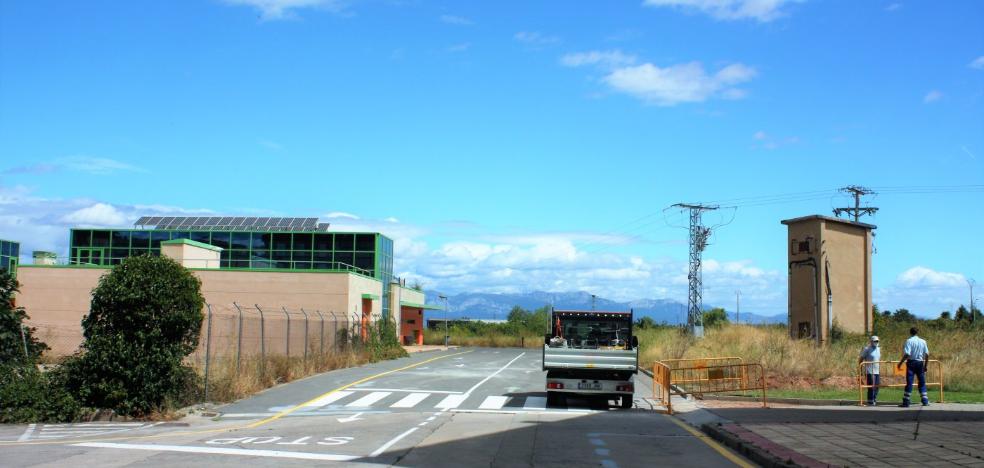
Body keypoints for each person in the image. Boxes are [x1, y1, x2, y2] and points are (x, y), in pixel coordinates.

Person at [897, 327, 930, 407]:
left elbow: (907, 354)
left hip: (911, 363)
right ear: (917, 332)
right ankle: (925, 400)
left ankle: (906, 402)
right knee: (922, 382)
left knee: (909, 382)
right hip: (920, 363)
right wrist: (925, 365)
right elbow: (927, 354)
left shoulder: (909, 341)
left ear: (910, 332)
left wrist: (900, 363)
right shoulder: (923, 341)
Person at [858, 336, 880, 406]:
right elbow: (861, 359)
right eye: (875, 341)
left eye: (877, 341)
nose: (876, 343)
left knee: (877, 386)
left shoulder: (878, 349)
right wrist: (860, 369)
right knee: (871, 386)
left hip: (877, 371)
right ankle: (870, 401)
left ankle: (874, 399)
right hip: (870, 371)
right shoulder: (867, 349)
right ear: (871, 341)